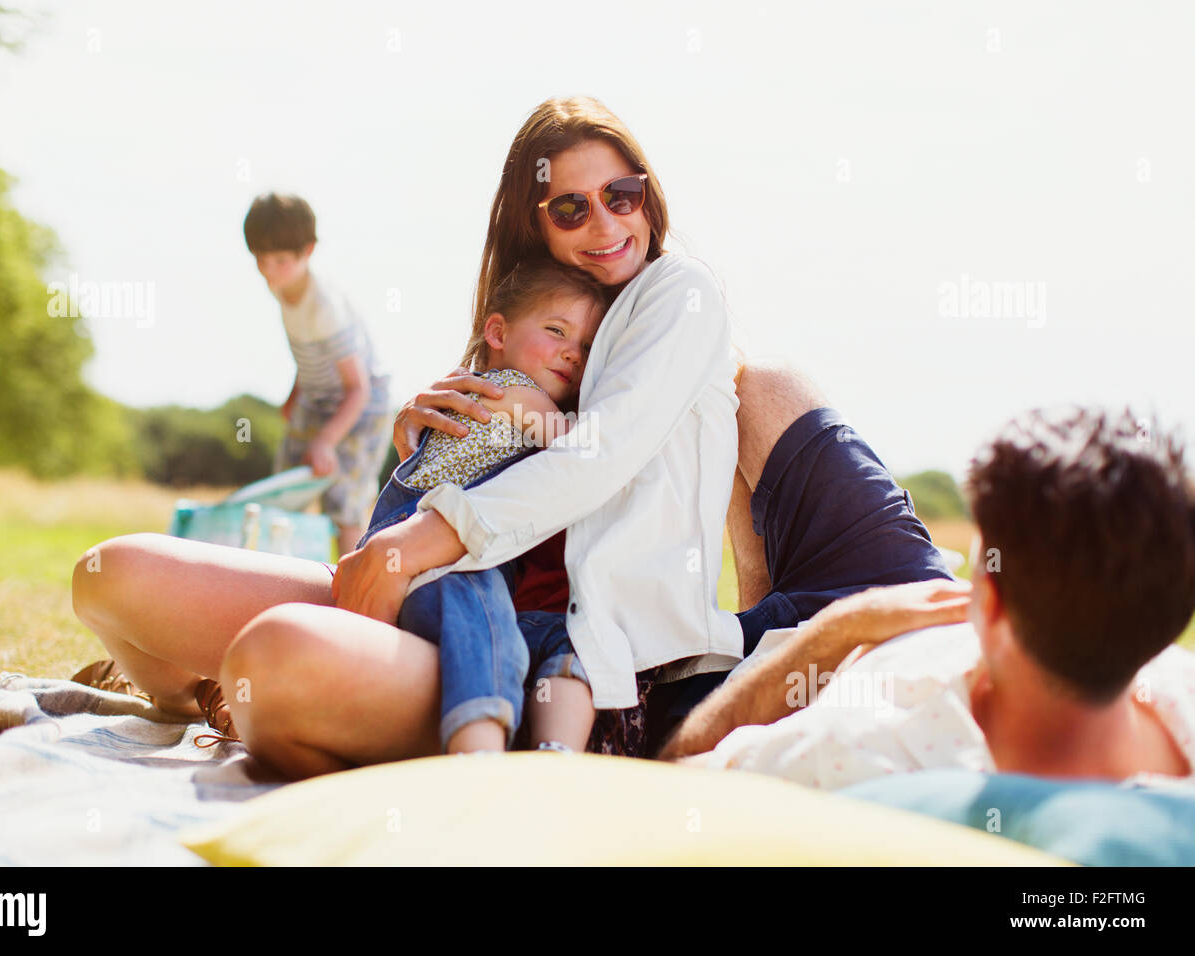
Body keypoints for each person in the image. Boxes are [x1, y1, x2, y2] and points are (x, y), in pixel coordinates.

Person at [70, 96, 948, 779]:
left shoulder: (676, 294)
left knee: (279, 658)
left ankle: (428, 733)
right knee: (112, 575)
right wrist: (439, 430)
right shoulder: (543, 331)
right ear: (535, 227)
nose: (604, 224)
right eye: (571, 209)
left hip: (555, 657)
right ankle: (214, 698)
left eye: (621, 196)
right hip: (444, 596)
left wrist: (414, 541)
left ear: (649, 194)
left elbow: (602, 452)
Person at [668, 407, 1195, 788]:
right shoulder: (1174, 698)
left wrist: (840, 630)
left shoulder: (858, 750)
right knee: (763, 387)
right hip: (915, 611)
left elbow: (674, 771)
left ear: (985, 602)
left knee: (751, 384)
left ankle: (753, 631)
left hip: (829, 654)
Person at [360, 257, 608, 754]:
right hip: (434, 546)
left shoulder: (467, 391)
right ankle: (479, 754)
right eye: (556, 330)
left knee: (567, 637)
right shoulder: (519, 393)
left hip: (450, 553)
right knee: (488, 631)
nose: (572, 354)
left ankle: (552, 752)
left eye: (586, 346)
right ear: (496, 331)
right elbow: (584, 457)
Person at [244, 192, 392, 556]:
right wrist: (296, 392)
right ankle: (279, 571)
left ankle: (348, 584)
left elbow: (356, 387)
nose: (269, 270)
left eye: (280, 260)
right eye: (261, 259)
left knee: (343, 501)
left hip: (360, 406)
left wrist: (326, 440)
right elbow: (309, 352)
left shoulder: (325, 308)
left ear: (307, 251)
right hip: (318, 396)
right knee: (285, 484)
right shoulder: (281, 289)